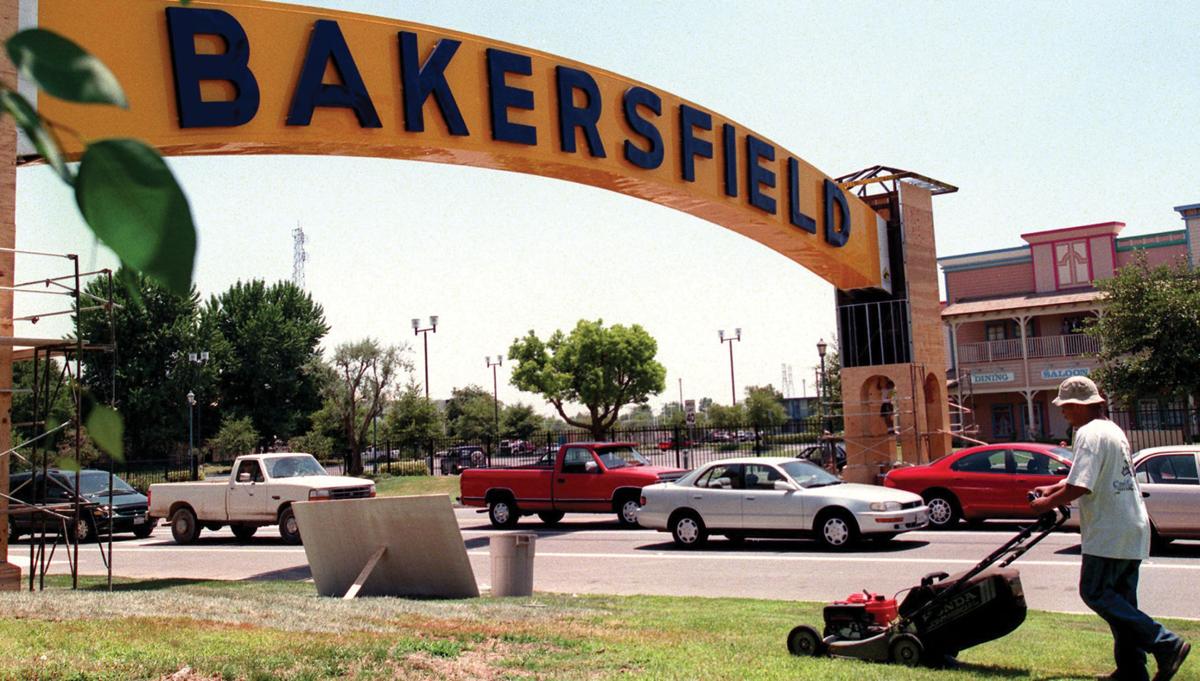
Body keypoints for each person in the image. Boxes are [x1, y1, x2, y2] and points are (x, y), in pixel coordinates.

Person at [1030, 376, 1189, 681]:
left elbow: (1081, 486)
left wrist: (1043, 505)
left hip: (1109, 530)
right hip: (1132, 525)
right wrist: (1051, 489)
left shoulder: (1088, 434)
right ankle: (1131, 670)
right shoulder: (1112, 431)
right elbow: (1088, 477)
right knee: (1122, 601)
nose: (1064, 413)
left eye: (1066, 407)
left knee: (1095, 592)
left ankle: (1166, 643)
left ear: (1080, 405)